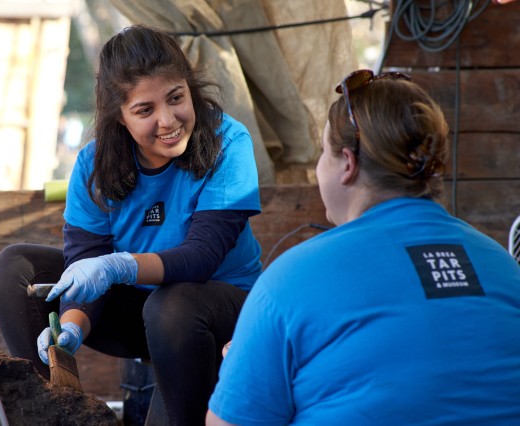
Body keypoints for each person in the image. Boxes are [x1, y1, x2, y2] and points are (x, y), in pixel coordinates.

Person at [207, 69, 520, 425]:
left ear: (347, 164)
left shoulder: (291, 280)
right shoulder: (504, 267)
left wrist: (242, 368)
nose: (318, 169)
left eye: (323, 154)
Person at [0, 25, 262, 426]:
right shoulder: (94, 165)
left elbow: (201, 257)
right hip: (143, 313)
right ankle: (47, 410)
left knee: (171, 305)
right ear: (119, 117)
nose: (168, 120)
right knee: (14, 269)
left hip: (214, 316)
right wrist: (70, 329)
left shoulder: (228, 142)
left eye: (176, 98)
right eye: (144, 110)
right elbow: (86, 262)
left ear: (190, 89)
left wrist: (119, 266)